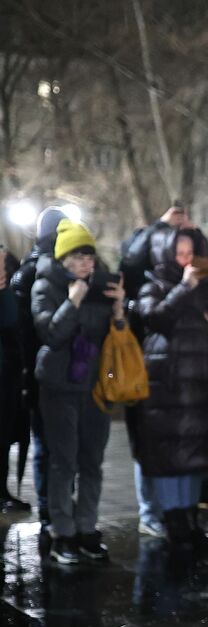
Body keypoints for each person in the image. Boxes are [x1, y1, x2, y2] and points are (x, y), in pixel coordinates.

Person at [29, 219, 126, 565]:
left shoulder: (101, 287)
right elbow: (51, 335)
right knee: (63, 461)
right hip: (58, 386)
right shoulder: (45, 286)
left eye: (90, 255)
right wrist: (72, 302)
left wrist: (118, 311)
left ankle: (87, 528)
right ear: (64, 259)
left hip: (95, 386)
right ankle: (63, 533)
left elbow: (115, 339)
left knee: (92, 462)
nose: (87, 262)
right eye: (79, 256)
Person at [132, 227, 208, 552]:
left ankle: (190, 520)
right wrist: (184, 288)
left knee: (193, 454)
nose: (186, 259)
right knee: (168, 455)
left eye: (191, 252)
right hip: (166, 385)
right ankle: (173, 522)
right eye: (179, 252)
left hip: (199, 386)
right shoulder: (154, 286)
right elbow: (154, 317)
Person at [11, 207, 70, 543]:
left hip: (45, 371)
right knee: (49, 445)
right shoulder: (35, 272)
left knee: (55, 446)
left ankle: (55, 509)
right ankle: (51, 511)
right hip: (42, 372)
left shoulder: (38, 269)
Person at [0, 248, 30, 512]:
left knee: (4, 435)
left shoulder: (6, 288)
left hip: (6, 373)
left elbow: (10, 318)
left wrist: (2, 288)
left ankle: (2, 490)